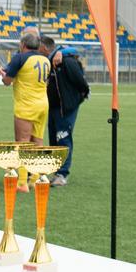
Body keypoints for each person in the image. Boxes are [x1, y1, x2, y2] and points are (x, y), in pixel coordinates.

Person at [0, 31, 51, 192]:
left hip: (26, 105)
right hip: (43, 104)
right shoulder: (45, 59)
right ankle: (35, 179)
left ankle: (22, 183)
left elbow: (7, 81)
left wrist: (3, 74)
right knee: (38, 141)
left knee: (22, 142)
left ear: (22, 44)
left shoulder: (20, 58)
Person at [41, 36, 89, 187]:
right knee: (54, 139)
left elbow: (80, 82)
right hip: (53, 106)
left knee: (63, 137)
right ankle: (57, 172)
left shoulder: (66, 61)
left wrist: (78, 97)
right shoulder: (50, 59)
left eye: (39, 48)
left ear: (44, 48)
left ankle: (62, 174)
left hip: (66, 107)